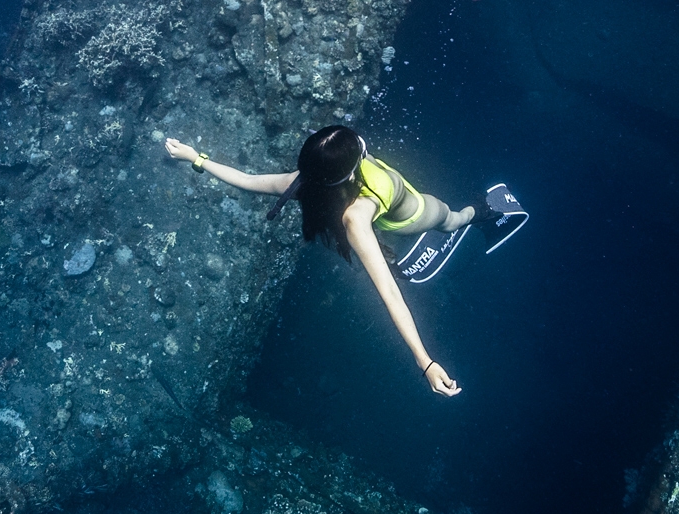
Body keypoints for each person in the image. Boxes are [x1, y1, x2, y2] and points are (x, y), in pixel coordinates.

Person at [163, 125, 471, 397]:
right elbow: (389, 293)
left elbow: (246, 180)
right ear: (351, 171)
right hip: (410, 215)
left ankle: (472, 217)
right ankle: (481, 212)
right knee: (452, 219)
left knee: (445, 222)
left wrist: (196, 158)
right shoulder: (355, 217)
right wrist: (425, 361)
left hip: (384, 202)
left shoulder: (306, 181)